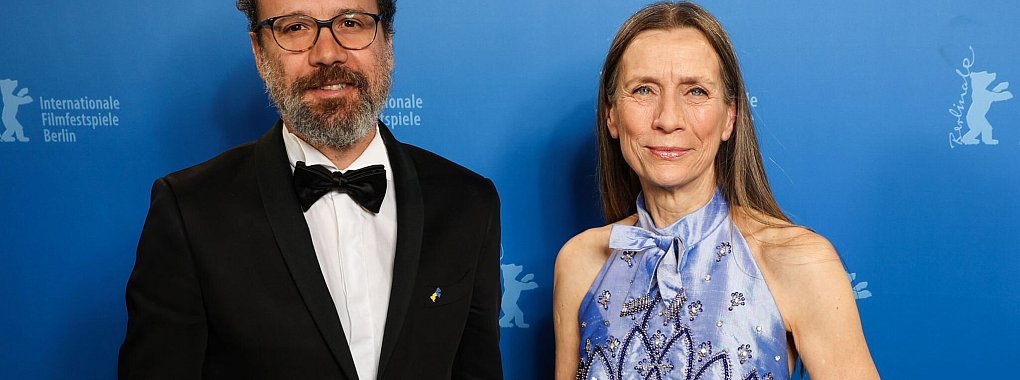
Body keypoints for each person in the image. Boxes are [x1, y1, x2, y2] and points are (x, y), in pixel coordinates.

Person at [118, 0, 503, 378]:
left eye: (351, 23)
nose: (328, 53)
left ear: (387, 37)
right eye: (295, 28)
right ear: (258, 51)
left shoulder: (468, 202)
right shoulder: (190, 211)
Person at [553, 2, 880, 379]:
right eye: (644, 90)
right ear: (611, 114)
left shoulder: (800, 262)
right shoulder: (580, 262)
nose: (668, 119)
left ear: (729, 117)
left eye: (695, 92)